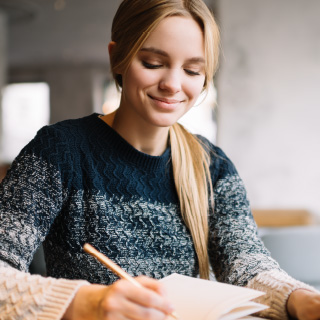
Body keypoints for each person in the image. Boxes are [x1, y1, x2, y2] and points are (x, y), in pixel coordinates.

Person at [0, 0, 320, 319]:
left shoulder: (213, 167)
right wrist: (85, 302)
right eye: (153, 63)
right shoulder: (60, 151)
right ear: (117, 57)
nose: (173, 85)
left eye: (193, 70)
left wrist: (300, 298)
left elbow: (246, 263)